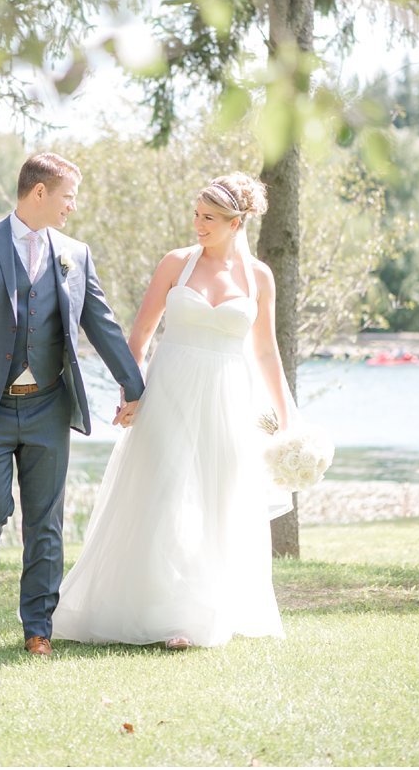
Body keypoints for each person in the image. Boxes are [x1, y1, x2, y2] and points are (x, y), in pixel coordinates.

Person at [53, 172, 295, 648]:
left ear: (236, 222)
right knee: (165, 494)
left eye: (208, 218)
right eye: (196, 215)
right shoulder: (176, 264)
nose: (198, 224)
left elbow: (266, 351)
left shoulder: (258, 276)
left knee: (217, 500)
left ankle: (197, 615)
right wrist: (130, 394)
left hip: (229, 399)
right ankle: (159, 611)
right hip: (169, 393)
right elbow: (139, 338)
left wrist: (287, 417)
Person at [0, 152, 145, 658]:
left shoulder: (75, 253)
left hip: (47, 406)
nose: (73, 206)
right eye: (68, 196)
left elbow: (102, 325)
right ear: (39, 193)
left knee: (46, 519)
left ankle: (37, 626)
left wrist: (135, 385)